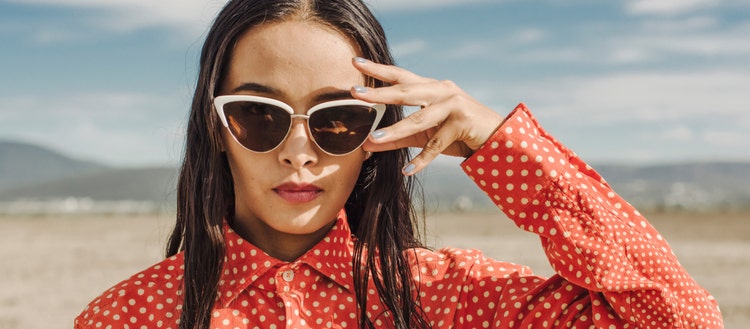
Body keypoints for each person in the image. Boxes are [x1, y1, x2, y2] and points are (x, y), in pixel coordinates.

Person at [75, 0, 723, 328]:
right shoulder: (130, 313)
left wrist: (496, 144)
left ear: (377, 132)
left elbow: (681, 318)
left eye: (338, 119)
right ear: (217, 129)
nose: (298, 150)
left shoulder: (455, 298)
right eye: (260, 115)